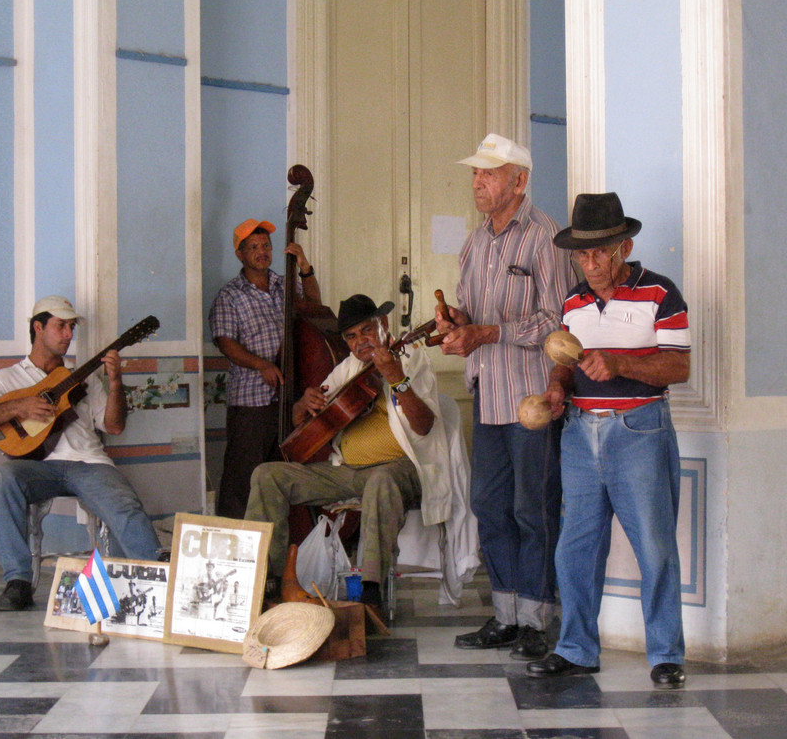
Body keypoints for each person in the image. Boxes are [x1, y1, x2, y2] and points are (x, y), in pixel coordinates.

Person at [528, 192, 690, 690]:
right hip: (579, 432)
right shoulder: (573, 301)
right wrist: (557, 387)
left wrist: (621, 364)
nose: (590, 262)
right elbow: (565, 357)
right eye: (582, 253)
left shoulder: (660, 294)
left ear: (625, 246)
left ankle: (665, 653)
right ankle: (576, 648)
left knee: (654, 547)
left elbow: (679, 366)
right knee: (574, 549)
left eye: (600, 250)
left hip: (638, 429)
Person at [436, 133, 574, 660]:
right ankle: (505, 616)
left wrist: (487, 333)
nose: (477, 181)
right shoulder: (475, 242)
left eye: (488, 173)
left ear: (519, 181)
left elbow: (558, 320)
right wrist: (458, 324)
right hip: (487, 395)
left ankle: (537, 620)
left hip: (532, 399)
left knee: (532, 508)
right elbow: (471, 313)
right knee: (490, 506)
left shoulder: (545, 237)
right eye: (474, 173)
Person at [246, 294, 451, 608]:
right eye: (351, 337)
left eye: (367, 331)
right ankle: (267, 580)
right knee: (267, 475)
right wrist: (304, 404)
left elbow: (424, 425)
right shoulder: (348, 368)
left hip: (401, 469)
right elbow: (300, 425)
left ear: (383, 325)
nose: (360, 342)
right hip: (347, 472)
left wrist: (397, 379)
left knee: (381, 481)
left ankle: (370, 592)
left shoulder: (412, 360)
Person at [0, 295, 162, 611]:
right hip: (39, 466)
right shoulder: (7, 379)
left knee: (125, 504)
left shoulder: (86, 377)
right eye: (61, 326)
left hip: (89, 463)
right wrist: (20, 406)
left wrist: (115, 381)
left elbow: (115, 426)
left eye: (71, 327)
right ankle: (18, 582)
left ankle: (159, 579)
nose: (68, 334)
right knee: (2, 478)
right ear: (38, 327)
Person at [209, 218, 322, 519]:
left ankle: (280, 548)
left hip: (290, 396)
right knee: (243, 477)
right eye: (254, 247)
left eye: (266, 246)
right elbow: (225, 342)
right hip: (252, 400)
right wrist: (261, 365)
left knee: (285, 474)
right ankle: (236, 546)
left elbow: (314, 306)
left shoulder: (284, 285)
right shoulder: (230, 295)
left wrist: (304, 266)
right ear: (240, 255)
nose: (262, 252)